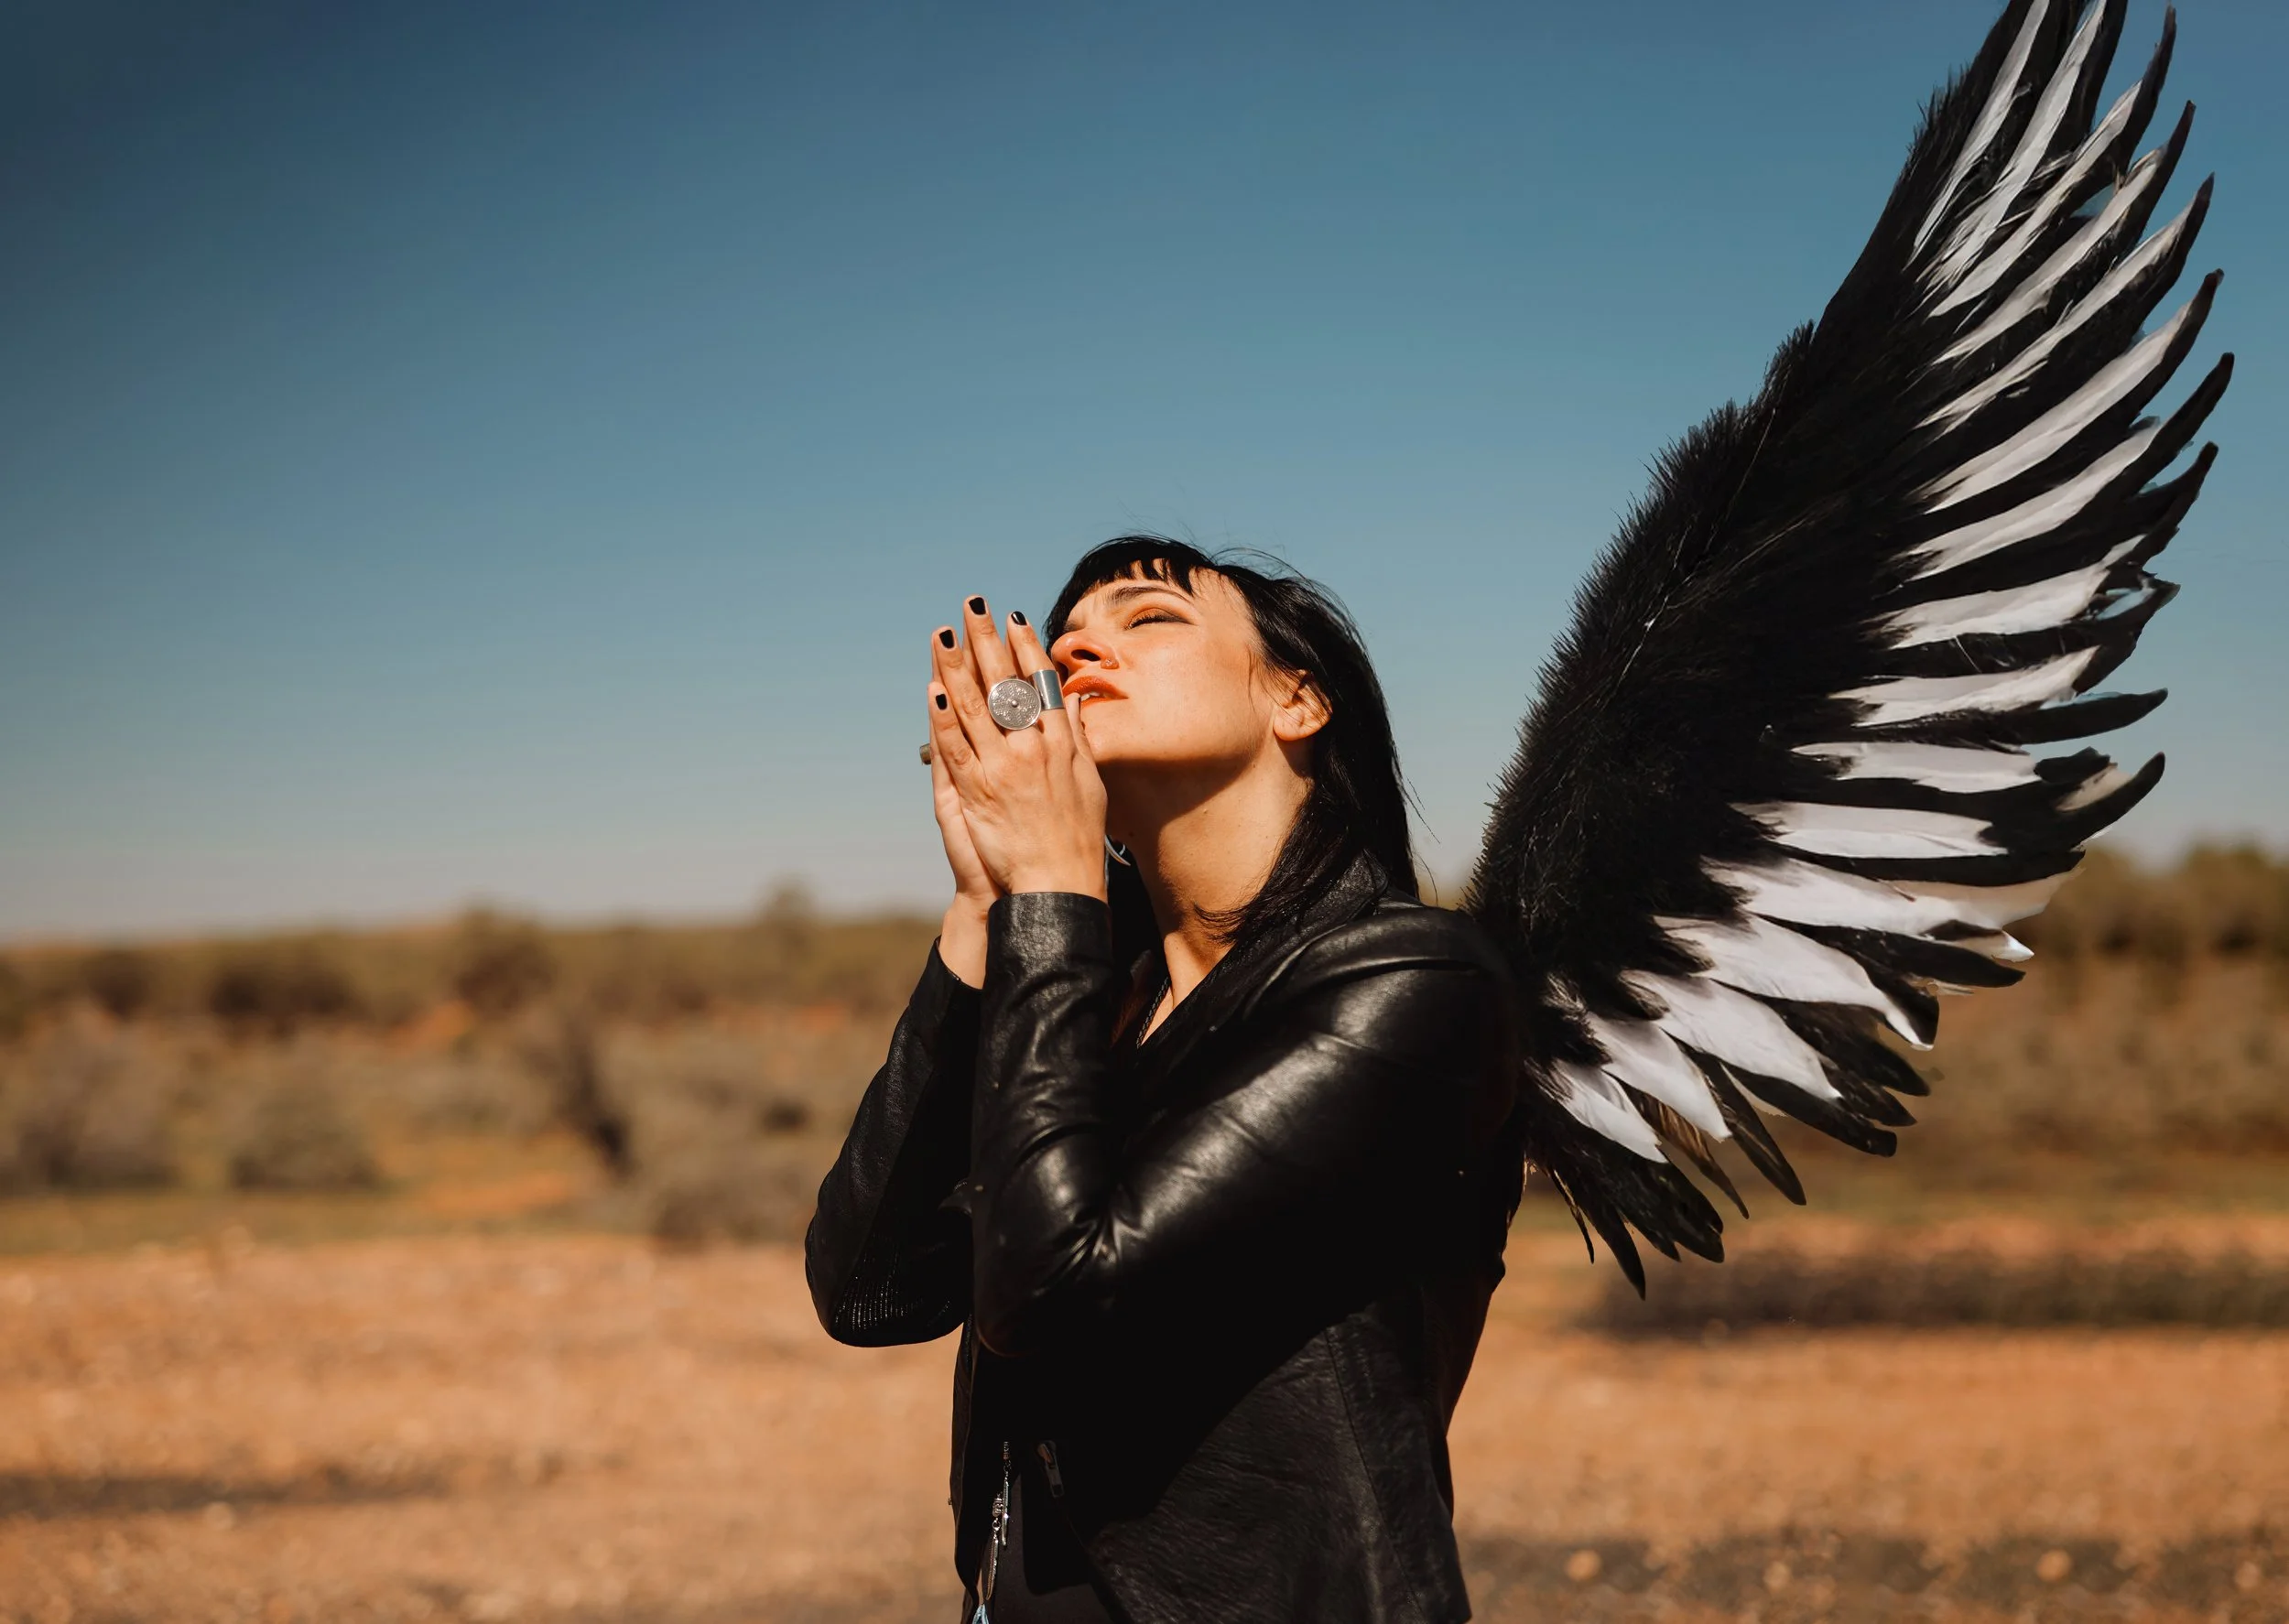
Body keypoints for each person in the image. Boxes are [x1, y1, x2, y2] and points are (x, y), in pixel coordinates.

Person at [806, 537, 1524, 1623]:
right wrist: (984, 906)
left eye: (1148, 617)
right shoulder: (1095, 998)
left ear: (1296, 699)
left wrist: (1054, 887)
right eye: (1067, 639)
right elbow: (870, 1290)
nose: (1079, 647)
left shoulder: (1413, 982)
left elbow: (1052, 1292)